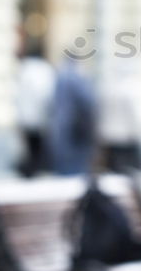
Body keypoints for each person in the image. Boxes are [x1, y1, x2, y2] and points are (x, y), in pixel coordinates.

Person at [48, 52, 97, 175]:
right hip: (75, 127)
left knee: (64, 163)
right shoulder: (78, 76)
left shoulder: (60, 75)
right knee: (76, 166)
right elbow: (87, 102)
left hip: (63, 126)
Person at [15, 47, 56, 178]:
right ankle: (36, 170)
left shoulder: (24, 70)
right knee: (38, 147)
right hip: (39, 116)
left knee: (30, 147)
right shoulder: (43, 71)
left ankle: (31, 170)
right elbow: (45, 95)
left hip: (26, 117)